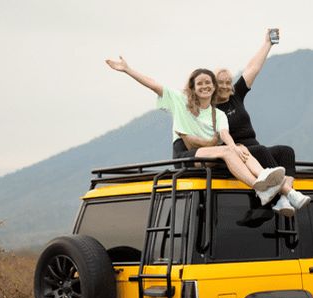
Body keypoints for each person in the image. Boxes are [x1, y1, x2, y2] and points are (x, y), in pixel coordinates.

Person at [105, 58, 286, 207]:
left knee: (236, 148)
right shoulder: (180, 100)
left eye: (208, 82)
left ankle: (265, 183)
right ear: (192, 87)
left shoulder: (218, 113)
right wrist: (128, 69)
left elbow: (225, 135)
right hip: (185, 155)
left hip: (208, 156)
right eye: (199, 83)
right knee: (227, 150)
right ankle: (259, 187)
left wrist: (235, 147)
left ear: (214, 87)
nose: (204, 86)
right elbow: (154, 85)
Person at [212, 29, 309, 216]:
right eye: (220, 82)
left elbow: (252, 69)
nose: (224, 86)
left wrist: (268, 43)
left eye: (227, 81)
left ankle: (282, 197)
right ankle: (285, 196)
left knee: (285, 151)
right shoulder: (210, 109)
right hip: (238, 153)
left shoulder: (236, 95)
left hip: (255, 149)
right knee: (262, 151)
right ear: (213, 85)